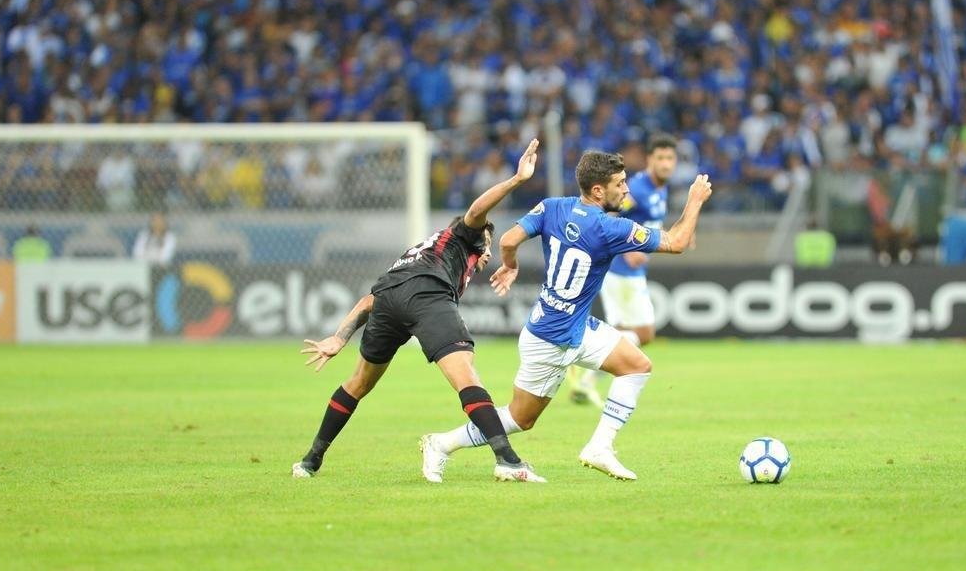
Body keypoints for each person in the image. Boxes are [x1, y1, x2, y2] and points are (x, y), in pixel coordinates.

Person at [420, 150, 713, 483]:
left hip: (570, 327)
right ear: (599, 191)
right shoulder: (609, 227)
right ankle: (441, 443)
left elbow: (508, 239)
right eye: (620, 183)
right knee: (520, 419)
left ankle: (600, 447)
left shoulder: (552, 206)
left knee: (637, 366)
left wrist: (510, 266)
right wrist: (694, 200)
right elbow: (677, 243)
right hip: (552, 341)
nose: (627, 190)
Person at [292, 139, 545, 483]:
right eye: (488, 246)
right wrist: (516, 181)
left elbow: (370, 300)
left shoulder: (422, 253)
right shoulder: (463, 237)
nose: (488, 255)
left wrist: (339, 338)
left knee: (359, 383)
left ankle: (310, 460)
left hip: (387, 297)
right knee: (466, 378)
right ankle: (508, 460)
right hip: (425, 295)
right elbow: (475, 212)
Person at [567, 132, 676, 407]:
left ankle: (585, 375)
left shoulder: (660, 188)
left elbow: (646, 222)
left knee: (626, 331)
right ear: (650, 159)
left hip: (627, 272)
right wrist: (628, 248)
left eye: (670, 158)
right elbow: (608, 214)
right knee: (645, 333)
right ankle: (584, 370)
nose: (666, 164)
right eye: (660, 157)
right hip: (621, 271)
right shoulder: (637, 190)